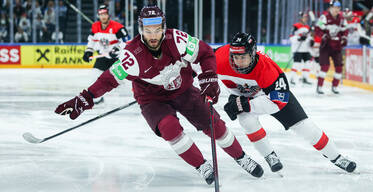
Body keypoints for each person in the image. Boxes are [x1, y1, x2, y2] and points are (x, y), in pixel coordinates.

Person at [55, 4, 263, 185]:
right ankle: (202, 166)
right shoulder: (132, 55)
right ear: (141, 30)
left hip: (183, 90)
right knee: (169, 129)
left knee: (214, 124)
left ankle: (241, 157)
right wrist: (85, 98)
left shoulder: (178, 39)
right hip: (152, 99)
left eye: (157, 30)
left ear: (164, 28)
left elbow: (206, 53)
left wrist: (209, 77)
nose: (153, 35)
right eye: (148, 30)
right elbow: (108, 79)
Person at [214, 32, 357, 174]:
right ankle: (269, 155)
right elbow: (199, 57)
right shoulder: (219, 58)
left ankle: (336, 157)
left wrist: (245, 104)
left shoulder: (268, 69)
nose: (238, 62)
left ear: (252, 53)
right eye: (235, 57)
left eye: (243, 57)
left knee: (305, 128)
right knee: (246, 120)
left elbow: (278, 103)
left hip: (270, 97)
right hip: (242, 95)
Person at [83, 4, 130, 104]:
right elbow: (91, 40)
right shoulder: (95, 27)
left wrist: (117, 49)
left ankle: (136, 97)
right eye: (101, 14)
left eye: (105, 14)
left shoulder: (118, 27)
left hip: (115, 58)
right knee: (94, 77)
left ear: (108, 15)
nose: (103, 16)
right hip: (102, 57)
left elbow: (127, 42)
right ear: (98, 16)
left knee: (125, 79)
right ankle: (98, 98)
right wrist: (88, 51)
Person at [315, 0, 348, 94]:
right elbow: (317, 29)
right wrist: (323, 36)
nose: (337, 10)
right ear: (330, 8)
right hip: (326, 46)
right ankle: (320, 86)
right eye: (335, 7)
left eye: (338, 8)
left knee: (339, 67)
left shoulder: (342, 19)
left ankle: (335, 86)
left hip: (337, 46)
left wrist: (344, 37)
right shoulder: (324, 17)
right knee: (325, 66)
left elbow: (345, 31)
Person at [289, 11, 313, 85]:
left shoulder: (308, 27)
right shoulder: (295, 26)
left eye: (306, 17)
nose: (306, 19)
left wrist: (311, 41)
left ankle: (304, 79)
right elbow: (291, 37)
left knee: (307, 64)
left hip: (306, 49)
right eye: (304, 17)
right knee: (296, 64)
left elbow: (309, 37)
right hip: (297, 49)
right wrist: (299, 38)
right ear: (300, 18)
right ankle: (292, 79)